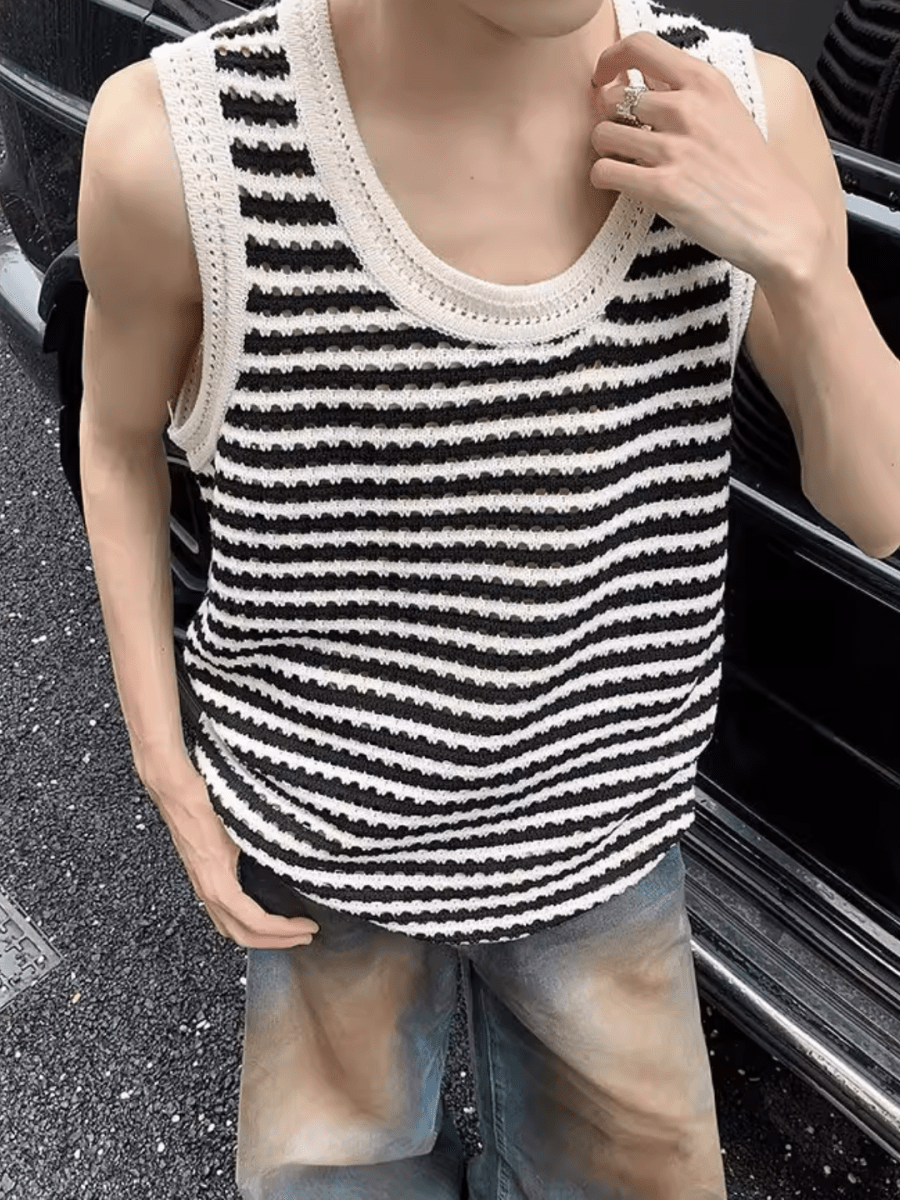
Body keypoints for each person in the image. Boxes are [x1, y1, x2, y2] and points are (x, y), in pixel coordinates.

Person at [75, 0, 900, 1197]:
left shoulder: (748, 113)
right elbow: (115, 438)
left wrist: (805, 263)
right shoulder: (184, 141)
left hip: (602, 836)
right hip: (324, 835)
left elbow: (880, 507)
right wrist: (165, 766)